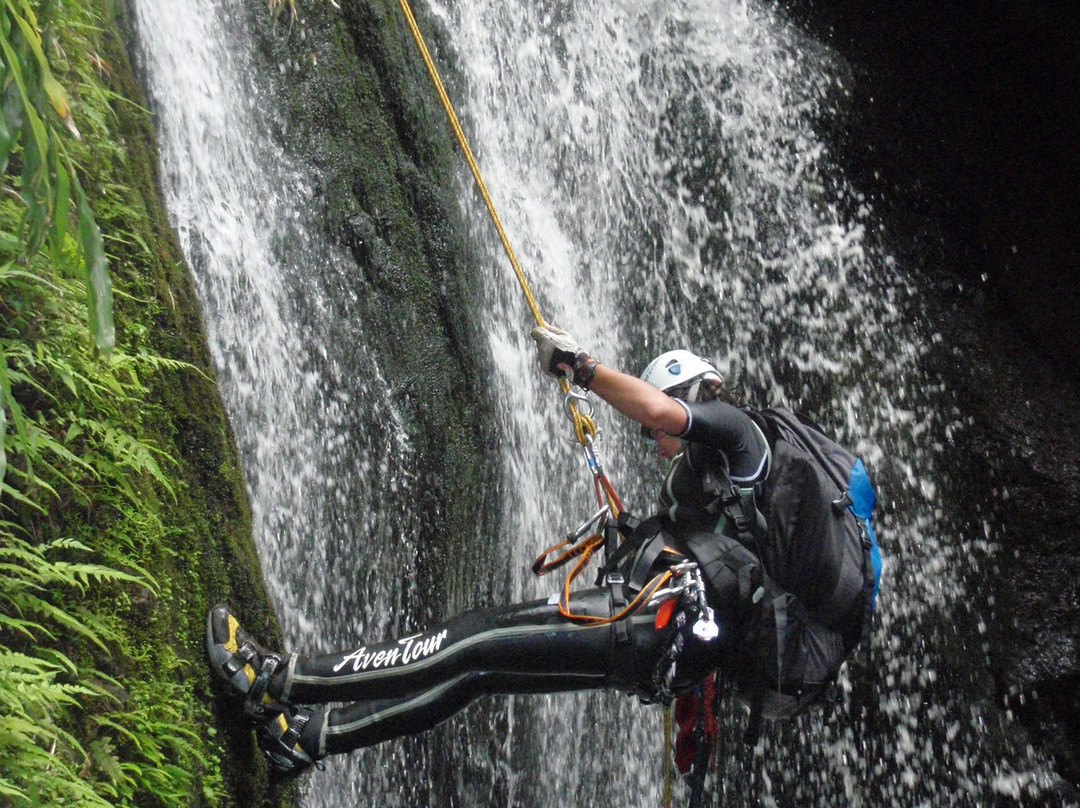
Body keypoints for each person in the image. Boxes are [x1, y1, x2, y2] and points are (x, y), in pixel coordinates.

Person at [206, 324, 879, 775]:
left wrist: (580, 368)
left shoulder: (740, 434)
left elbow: (658, 414)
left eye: (661, 429)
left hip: (650, 628)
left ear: (691, 393)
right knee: (480, 673)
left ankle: (278, 681)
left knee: (474, 639)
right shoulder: (717, 500)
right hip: (653, 647)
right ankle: (311, 739)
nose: (656, 445)